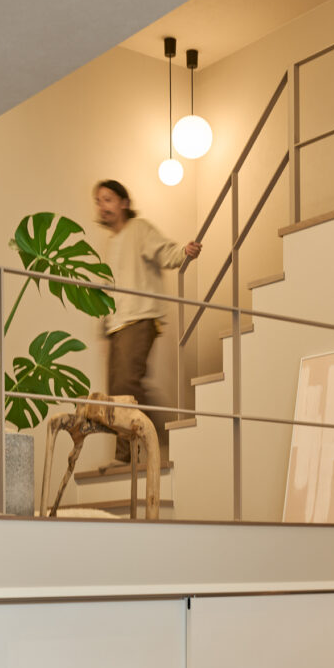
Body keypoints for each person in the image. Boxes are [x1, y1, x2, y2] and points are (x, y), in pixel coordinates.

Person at [94, 179, 202, 464]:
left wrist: (184, 252)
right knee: (116, 393)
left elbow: (164, 251)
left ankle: (155, 436)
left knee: (127, 384)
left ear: (124, 203)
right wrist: (104, 326)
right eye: (99, 201)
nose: (102, 206)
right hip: (116, 324)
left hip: (141, 317)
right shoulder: (110, 242)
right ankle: (131, 451)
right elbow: (107, 287)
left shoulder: (139, 229)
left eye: (107, 199)